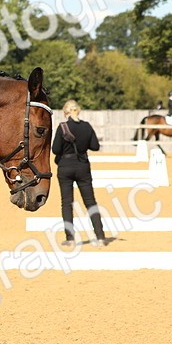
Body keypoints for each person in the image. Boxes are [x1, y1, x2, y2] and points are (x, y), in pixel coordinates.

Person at [53, 99, 107, 247]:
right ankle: (100, 236)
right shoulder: (87, 127)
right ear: (78, 111)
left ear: (66, 113)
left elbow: (55, 150)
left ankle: (70, 238)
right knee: (90, 202)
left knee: (67, 203)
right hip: (83, 166)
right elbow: (95, 146)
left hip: (65, 167)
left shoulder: (62, 127)